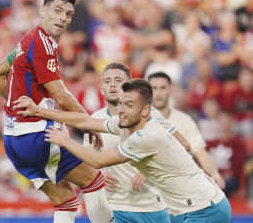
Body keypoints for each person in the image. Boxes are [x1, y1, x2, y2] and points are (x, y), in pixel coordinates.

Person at [14, 79, 232, 223]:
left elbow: (99, 161)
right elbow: (85, 120)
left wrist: (66, 141)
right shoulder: (126, 123)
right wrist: (40, 111)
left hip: (205, 209)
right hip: (188, 207)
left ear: (146, 110)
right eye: (120, 103)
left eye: (128, 105)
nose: (120, 109)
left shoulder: (147, 136)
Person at [0, 0, 113, 223]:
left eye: (68, 14)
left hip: (12, 140)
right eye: (57, 11)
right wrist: (89, 124)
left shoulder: (26, 40)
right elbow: (62, 96)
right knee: (95, 181)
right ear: (42, 10)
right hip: (36, 136)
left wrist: (16, 107)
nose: (63, 18)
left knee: (66, 200)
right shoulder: (43, 44)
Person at [83, 63, 170, 223]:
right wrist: (98, 174)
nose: (113, 85)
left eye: (118, 80)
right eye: (108, 81)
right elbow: (86, 159)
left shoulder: (148, 115)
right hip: (114, 205)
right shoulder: (94, 120)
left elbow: (177, 148)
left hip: (150, 202)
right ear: (102, 89)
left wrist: (147, 172)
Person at [147, 72, 226, 222]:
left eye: (163, 88)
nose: (158, 93)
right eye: (154, 88)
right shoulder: (136, 120)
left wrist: (214, 172)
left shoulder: (184, 121)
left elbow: (201, 154)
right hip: (146, 199)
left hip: (177, 201)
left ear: (171, 90)